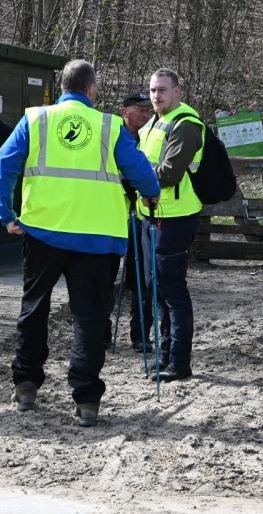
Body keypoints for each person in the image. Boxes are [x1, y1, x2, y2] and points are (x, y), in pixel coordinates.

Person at [0, 59, 160, 427]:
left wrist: (6, 214)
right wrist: (151, 195)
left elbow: (5, 164)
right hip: (97, 237)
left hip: (42, 231)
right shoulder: (109, 126)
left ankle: (26, 384)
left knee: (34, 307)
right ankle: (86, 397)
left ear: (63, 86)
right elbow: (141, 172)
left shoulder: (35, 119)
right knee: (89, 316)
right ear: (91, 89)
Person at [137, 68, 204, 382]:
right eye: (152, 90)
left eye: (162, 90)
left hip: (175, 217)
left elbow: (169, 173)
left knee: (173, 291)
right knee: (158, 290)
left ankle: (179, 362)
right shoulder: (152, 122)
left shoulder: (187, 124)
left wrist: (134, 179)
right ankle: (165, 356)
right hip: (150, 215)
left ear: (178, 92)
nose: (156, 96)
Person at [116, 91, 155, 352]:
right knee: (106, 276)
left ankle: (140, 333)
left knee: (142, 275)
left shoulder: (151, 135)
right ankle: (103, 332)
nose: (144, 114)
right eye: (139, 109)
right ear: (125, 111)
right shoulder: (112, 135)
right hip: (112, 212)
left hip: (140, 214)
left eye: (147, 110)